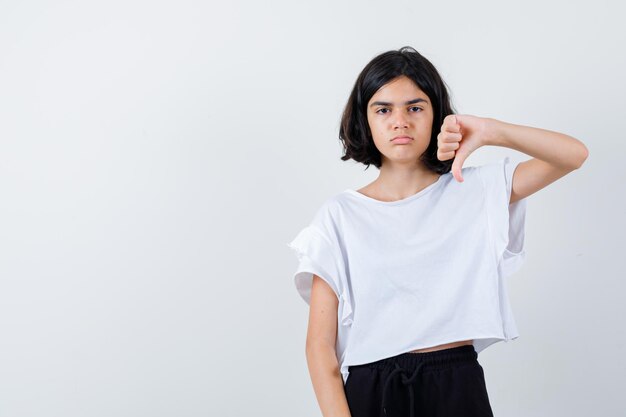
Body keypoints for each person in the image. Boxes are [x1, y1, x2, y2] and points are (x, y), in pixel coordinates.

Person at [287, 46, 588, 417]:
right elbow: (320, 348)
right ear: (364, 120)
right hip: (372, 391)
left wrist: (491, 131)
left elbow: (573, 155)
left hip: (455, 386)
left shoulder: (474, 191)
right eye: (383, 109)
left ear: (436, 116)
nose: (400, 121)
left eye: (415, 108)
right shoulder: (339, 216)